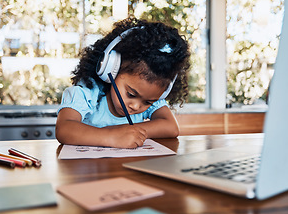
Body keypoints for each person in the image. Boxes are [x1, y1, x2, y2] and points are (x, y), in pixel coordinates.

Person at [55, 17, 190, 148]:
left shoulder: (150, 96)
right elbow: (64, 129)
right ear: (111, 68)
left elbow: (171, 127)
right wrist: (112, 135)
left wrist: (130, 131)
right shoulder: (88, 92)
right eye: (131, 94)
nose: (136, 106)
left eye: (148, 102)